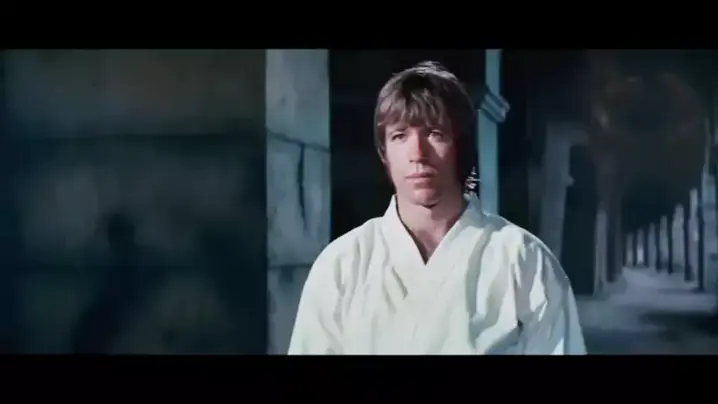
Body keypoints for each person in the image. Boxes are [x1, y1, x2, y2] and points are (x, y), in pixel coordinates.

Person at [288, 61, 586, 355]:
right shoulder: (342, 265)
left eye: (435, 134)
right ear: (384, 153)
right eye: (400, 136)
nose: (418, 153)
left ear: (461, 146)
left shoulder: (524, 261)